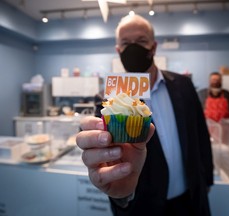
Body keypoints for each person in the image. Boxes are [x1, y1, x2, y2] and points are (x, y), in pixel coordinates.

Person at [76, 14, 214, 216]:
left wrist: (207, 180)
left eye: (141, 41)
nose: (134, 48)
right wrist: (121, 193)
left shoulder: (183, 85)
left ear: (154, 47)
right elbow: (111, 161)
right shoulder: (108, 101)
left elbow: (201, 134)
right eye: (126, 43)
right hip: (143, 207)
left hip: (191, 201)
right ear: (118, 50)